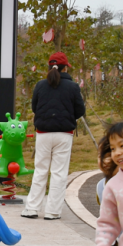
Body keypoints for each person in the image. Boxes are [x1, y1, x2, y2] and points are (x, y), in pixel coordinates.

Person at [22, 52, 86, 220]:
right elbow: (80, 110)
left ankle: (31, 208)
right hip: (64, 134)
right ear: (65, 68)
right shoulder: (73, 87)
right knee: (59, 173)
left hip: (43, 133)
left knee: (40, 171)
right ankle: (52, 212)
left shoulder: (40, 85)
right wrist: (68, 116)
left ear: (49, 67)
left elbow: (35, 107)